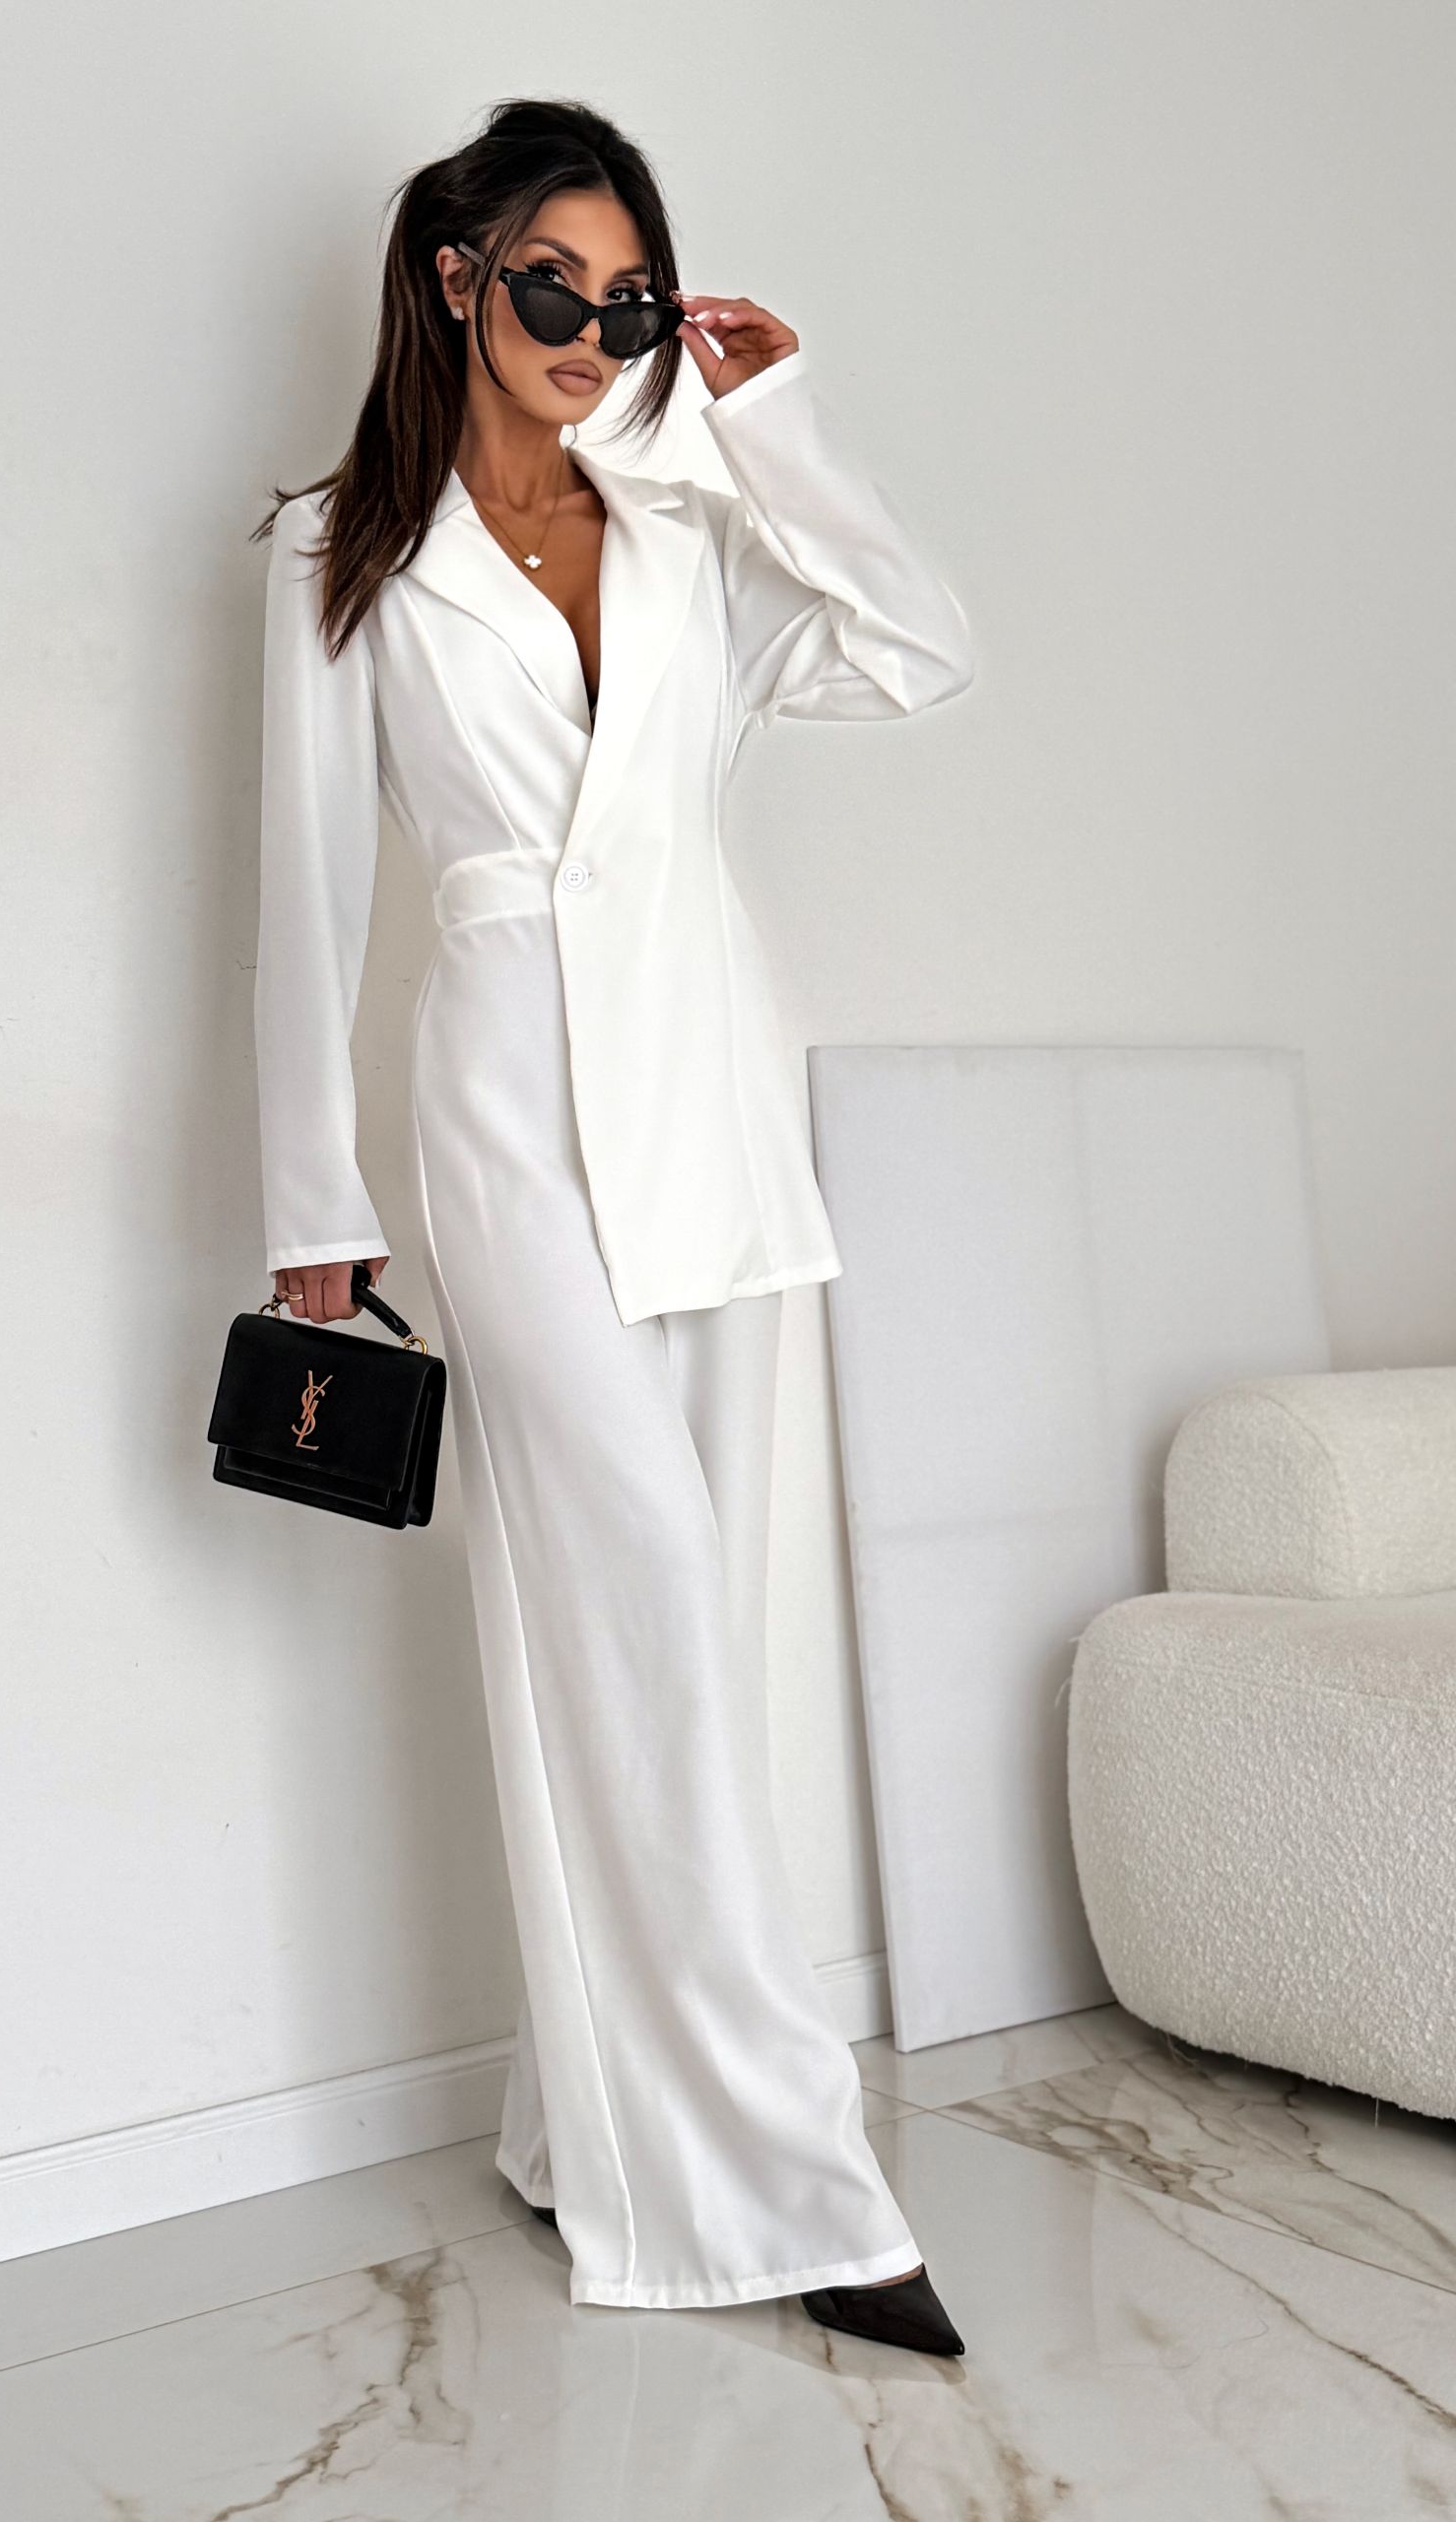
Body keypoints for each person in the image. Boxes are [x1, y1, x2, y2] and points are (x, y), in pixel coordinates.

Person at [249, 97, 974, 2357]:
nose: (589, 329)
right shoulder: (339, 549)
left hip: (712, 1121)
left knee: (675, 1634)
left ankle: (584, 2124)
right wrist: (310, 1193)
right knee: (636, 1592)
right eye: (552, 282)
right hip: (501, 1123)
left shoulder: (688, 536)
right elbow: (307, 884)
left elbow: (921, 646)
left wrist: (774, 424)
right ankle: (789, 2174)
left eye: (630, 298)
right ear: (457, 276)